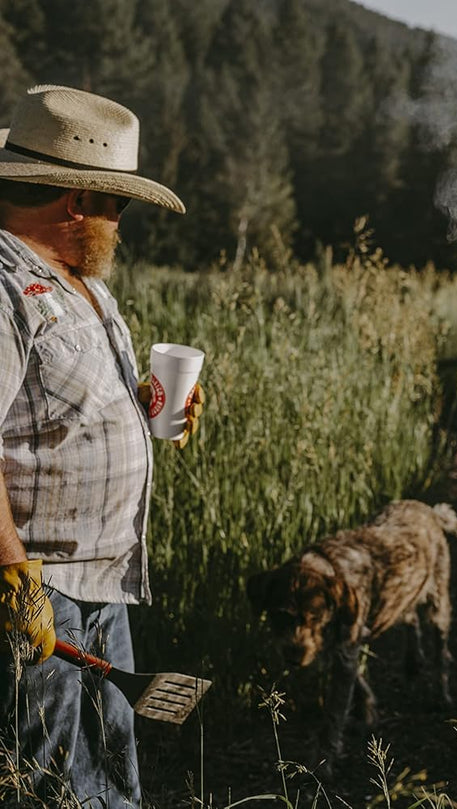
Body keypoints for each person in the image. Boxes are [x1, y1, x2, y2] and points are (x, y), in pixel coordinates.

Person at [0, 85, 201, 807]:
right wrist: (15, 571)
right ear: (76, 202)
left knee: (112, 773)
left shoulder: (82, 285)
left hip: (103, 582)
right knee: (54, 781)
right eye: (119, 204)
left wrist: (146, 405)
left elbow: (61, 404)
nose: (122, 222)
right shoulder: (3, 285)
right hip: (36, 586)